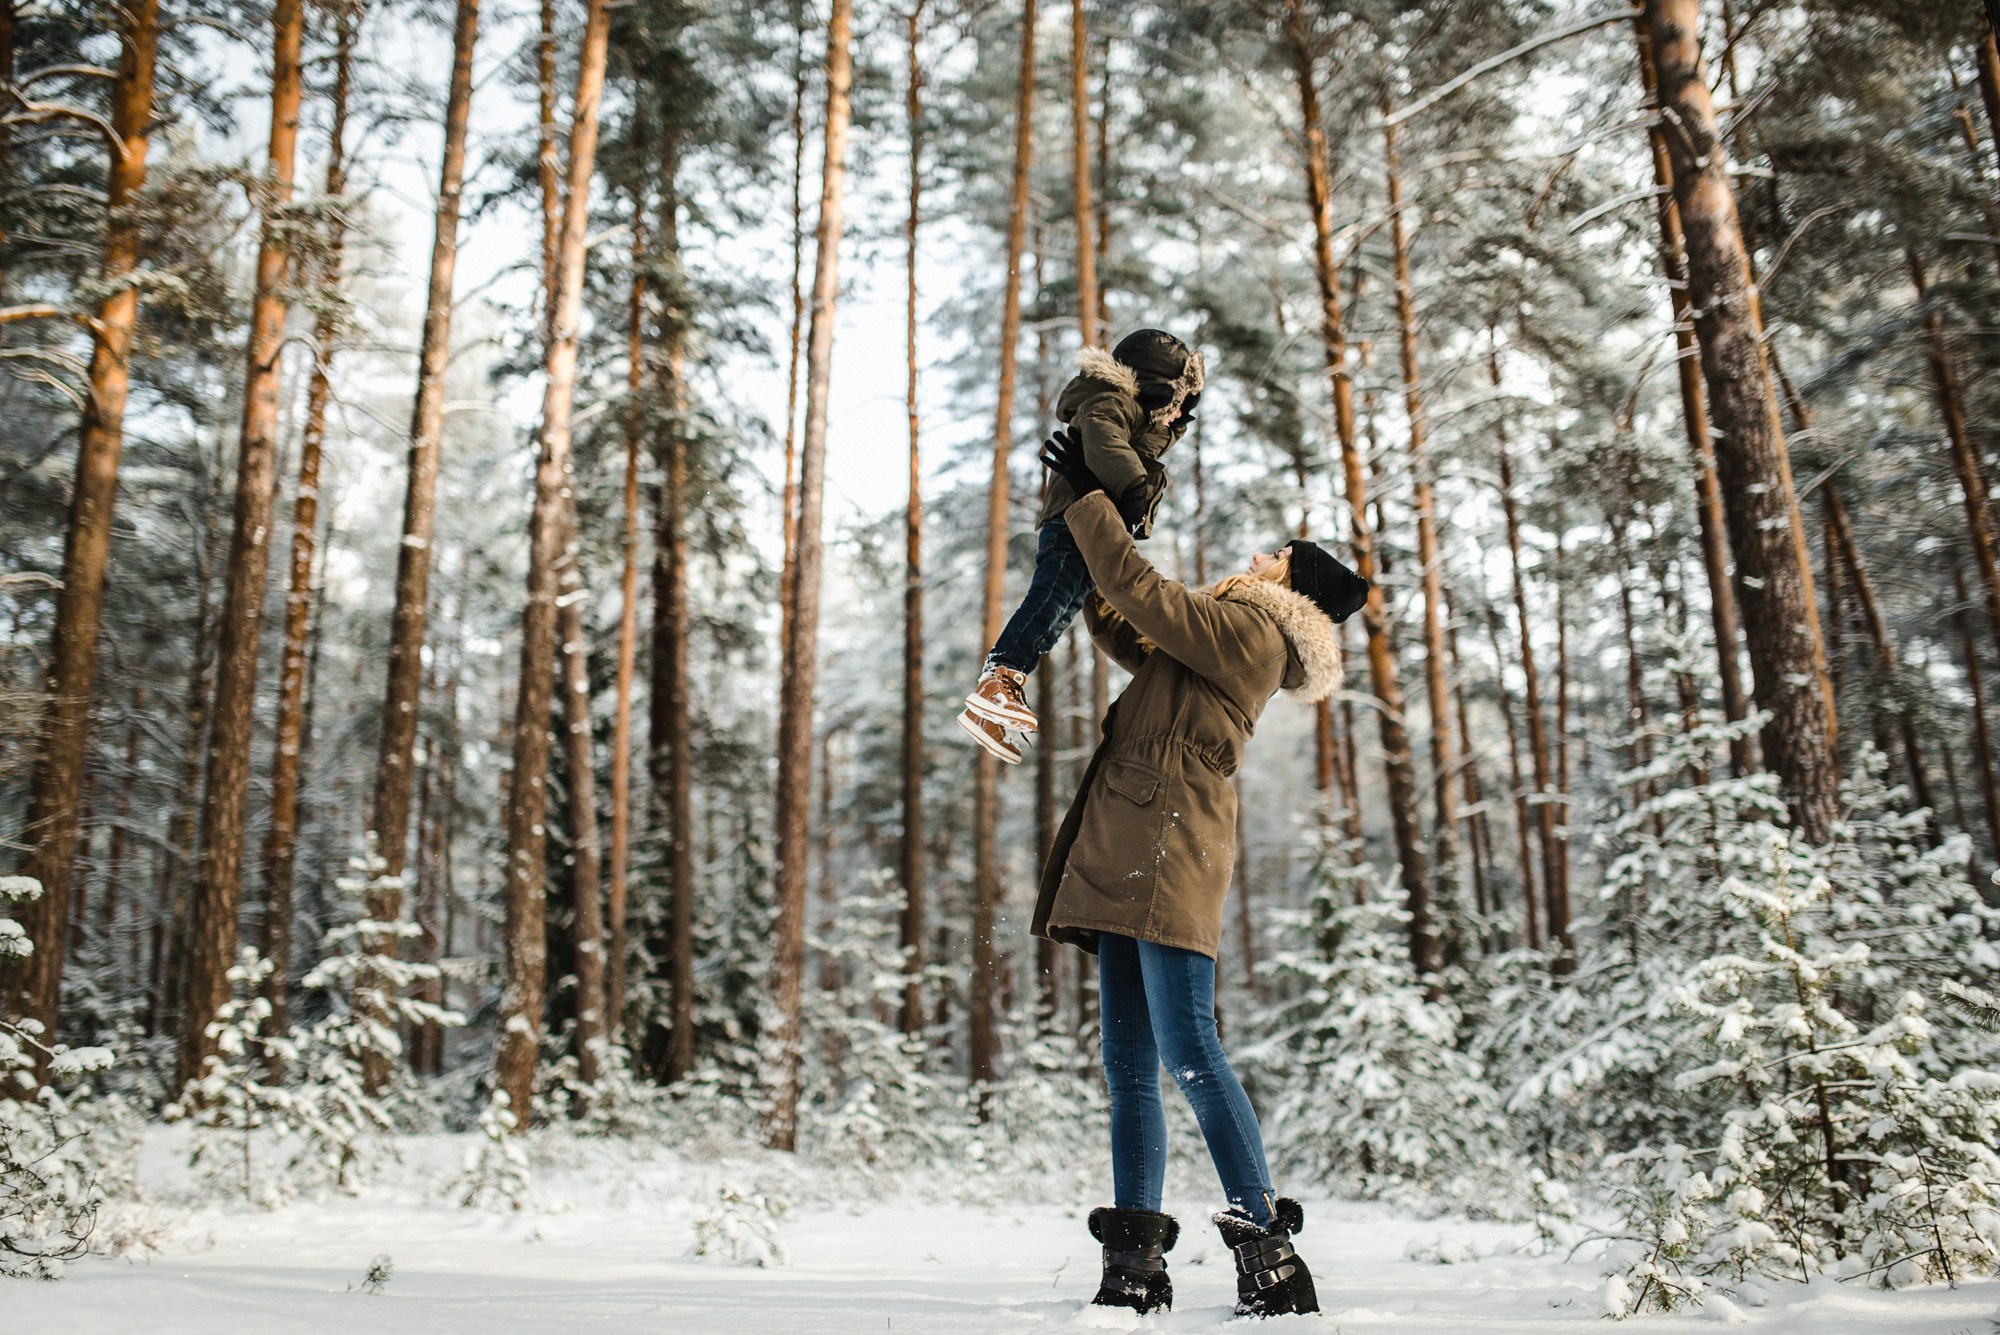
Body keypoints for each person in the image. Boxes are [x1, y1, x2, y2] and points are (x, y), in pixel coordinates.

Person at [1027, 431, 1369, 1318]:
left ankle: (1271, 1256)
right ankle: (1134, 1262)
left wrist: (1089, 504)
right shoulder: (1219, 635)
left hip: (1169, 843)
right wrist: (1073, 525)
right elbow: (1122, 612)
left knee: (1190, 1053)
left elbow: (1143, 591)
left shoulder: (1253, 632)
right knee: (1131, 1066)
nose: (1255, 555)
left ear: (1290, 585)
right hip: (1135, 836)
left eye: (1274, 554)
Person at [958, 328, 1205, 765]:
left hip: (1092, 525)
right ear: (1155, 387)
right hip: (1075, 520)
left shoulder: (1135, 414)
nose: (1180, 414)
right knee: (1049, 600)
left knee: (1061, 612)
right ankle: (999, 676)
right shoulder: (1112, 403)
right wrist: (1133, 485)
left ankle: (994, 704)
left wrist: (1141, 482)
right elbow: (1104, 439)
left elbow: (1135, 452)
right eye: (1177, 401)